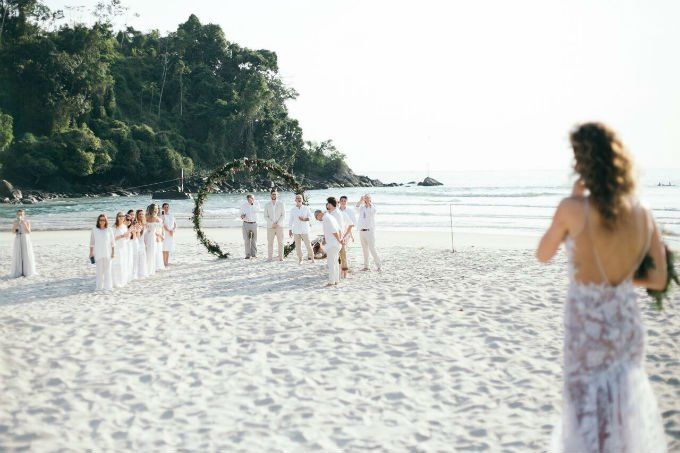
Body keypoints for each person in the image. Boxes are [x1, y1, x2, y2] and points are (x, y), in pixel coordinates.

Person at [536, 123, 668, 452]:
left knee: (584, 417)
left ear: (582, 163)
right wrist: (622, 282)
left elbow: (543, 254)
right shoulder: (643, 213)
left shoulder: (572, 209)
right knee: (623, 418)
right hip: (625, 328)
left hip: (587, 331)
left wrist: (576, 196)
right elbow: (659, 280)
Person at [315, 209, 342, 286]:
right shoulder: (331, 217)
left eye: (318, 219)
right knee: (335, 262)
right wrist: (340, 240)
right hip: (336, 244)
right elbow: (339, 229)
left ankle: (331, 282)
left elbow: (334, 231)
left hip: (332, 244)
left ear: (319, 214)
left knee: (331, 263)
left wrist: (339, 240)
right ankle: (337, 280)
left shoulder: (326, 219)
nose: (319, 220)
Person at [89, 214, 115, 291]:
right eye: (101, 220)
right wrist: (91, 252)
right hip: (98, 252)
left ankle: (108, 286)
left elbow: (113, 242)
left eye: (104, 220)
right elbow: (92, 242)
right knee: (99, 271)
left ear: (106, 221)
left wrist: (113, 252)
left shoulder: (109, 229)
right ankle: (99, 287)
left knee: (108, 270)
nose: (102, 221)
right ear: (98, 221)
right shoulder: (94, 229)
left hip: (108, 252)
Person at [356, 194, 381, 271]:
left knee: (372, 248)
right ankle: (366, 266)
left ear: (370, 199)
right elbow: (356, 207)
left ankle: (378, 265)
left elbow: (374, 211)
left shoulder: (372, 207)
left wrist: (369, 202)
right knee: (364, 250)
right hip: (361, 231)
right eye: (365, 198)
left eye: (368, 198)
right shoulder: (362, 208)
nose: (366, 199)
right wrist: (360, 200)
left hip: (370, 232)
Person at [288, 193, 314, 264]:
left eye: (300, 198)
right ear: (295, 200)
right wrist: (290, 230)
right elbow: (291, 220)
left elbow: (311, 218)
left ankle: (312, 258)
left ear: (302, 200)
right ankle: (300, 259)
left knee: (308, 245)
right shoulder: (293, 209)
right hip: (296, 230)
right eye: (297, 198)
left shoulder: (306, 208)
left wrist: (304, 219)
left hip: (305, 230)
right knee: (298, 246)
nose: (299, 199)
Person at [10, 209, 37, 278]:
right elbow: (13, 232)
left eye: (21, 214)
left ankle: (26, 271)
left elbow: (28, 232)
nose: (20, 216)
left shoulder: (27, 221)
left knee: (26, 253)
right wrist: (16, 225)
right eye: (19, 214)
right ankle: (18, 271)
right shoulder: (15, 221)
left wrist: (24, 223)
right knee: (18, 254)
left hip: (25, 238)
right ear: (17, 215)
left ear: (24, 215)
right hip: (18, 238)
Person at [264, 189, 285, 262]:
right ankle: (270, 258)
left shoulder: (281, 204)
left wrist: (277, 223)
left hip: (280, 226)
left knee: (280, 242)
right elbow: (265, 216)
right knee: (270, 242)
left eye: (275, 194)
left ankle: (281, 257)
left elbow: (283, 215)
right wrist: (272, 223)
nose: (274, 195)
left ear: (277, 195)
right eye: (273, 194)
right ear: (270, 195)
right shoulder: (267, 205)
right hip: (270, 226)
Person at [338, 196, 355, 278]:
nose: (343, 202)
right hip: (338, 234)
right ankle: (341, 266)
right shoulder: (336, 210)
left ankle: (344, 268)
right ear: (339, 201)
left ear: (346, 202)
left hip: (347, 233)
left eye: (345, 201)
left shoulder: (350, 211)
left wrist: (348, 234)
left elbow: (352, 223)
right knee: (340, 250)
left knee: (343, 249)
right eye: (342, 201)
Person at [111, 212, 130, 288]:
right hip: (117, 247)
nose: (122, 217)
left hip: (123, 247)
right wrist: (122, 236)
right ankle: (115, 281)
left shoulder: (124, 226)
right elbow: (112, 239)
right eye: (120, 216)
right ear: (117, 217)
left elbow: (126, 238)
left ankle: (122, 280)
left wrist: (128, 235)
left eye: (123, 216)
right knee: (117, 264)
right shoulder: (114, 227)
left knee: (123, 263)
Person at [144, 204, 163, 275]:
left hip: (147, 235)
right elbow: (160, 228)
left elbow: (145, 226)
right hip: (152, 236)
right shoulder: (157, 219)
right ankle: (151, 269)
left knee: (148, 252)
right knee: (152, 252)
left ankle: (147, 268)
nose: (157, 210)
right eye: (156, 209)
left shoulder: (146, 217)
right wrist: (160, 236)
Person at [240, 194, 260, 259]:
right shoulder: (243, 205)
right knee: (246, 240)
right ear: (247, 199)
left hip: (254, 224)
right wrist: (242, 216)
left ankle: (254, 254)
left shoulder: (256, 204)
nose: (250, 200)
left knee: (254, 240)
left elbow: (257, 210)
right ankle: (247, 254)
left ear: (253, 199)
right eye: (249, 199)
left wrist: (252, 204)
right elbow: (241, 214)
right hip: (246, 224)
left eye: (251, 198)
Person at [161, 202, 176, 267]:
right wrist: (168, 230)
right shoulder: (162, 215)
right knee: (164, 248)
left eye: (167, 207)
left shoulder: (171, 214)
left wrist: (173, 230)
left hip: (171, 233)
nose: (166, 208)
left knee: (168, 247)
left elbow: (175, 223)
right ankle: (164, 262)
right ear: (163, 208)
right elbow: (162, 224)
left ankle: (167, 261)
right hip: (165, 232)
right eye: (165, 207)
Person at [134, 209, 148, 279]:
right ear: (137, 215)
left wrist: (145, 244)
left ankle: (142, 273)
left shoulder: (144, 224)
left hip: (142, 242)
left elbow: (144, 235)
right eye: (140, 214)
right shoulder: (136, 223)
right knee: (137, 258)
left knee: (143, 258)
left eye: (142, 214)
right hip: (137, 242)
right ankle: (136, 273)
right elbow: (137, 235)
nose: (141, 215)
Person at [125, 210, 137, 281]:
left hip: (131, 242)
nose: (132, 216)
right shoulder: (125, 224)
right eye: (131, 215)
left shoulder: (133, 224)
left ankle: (131, 273)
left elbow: (135, 237)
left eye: (133, 215)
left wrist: (135, 230)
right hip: (126, 243)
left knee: (131, 258)